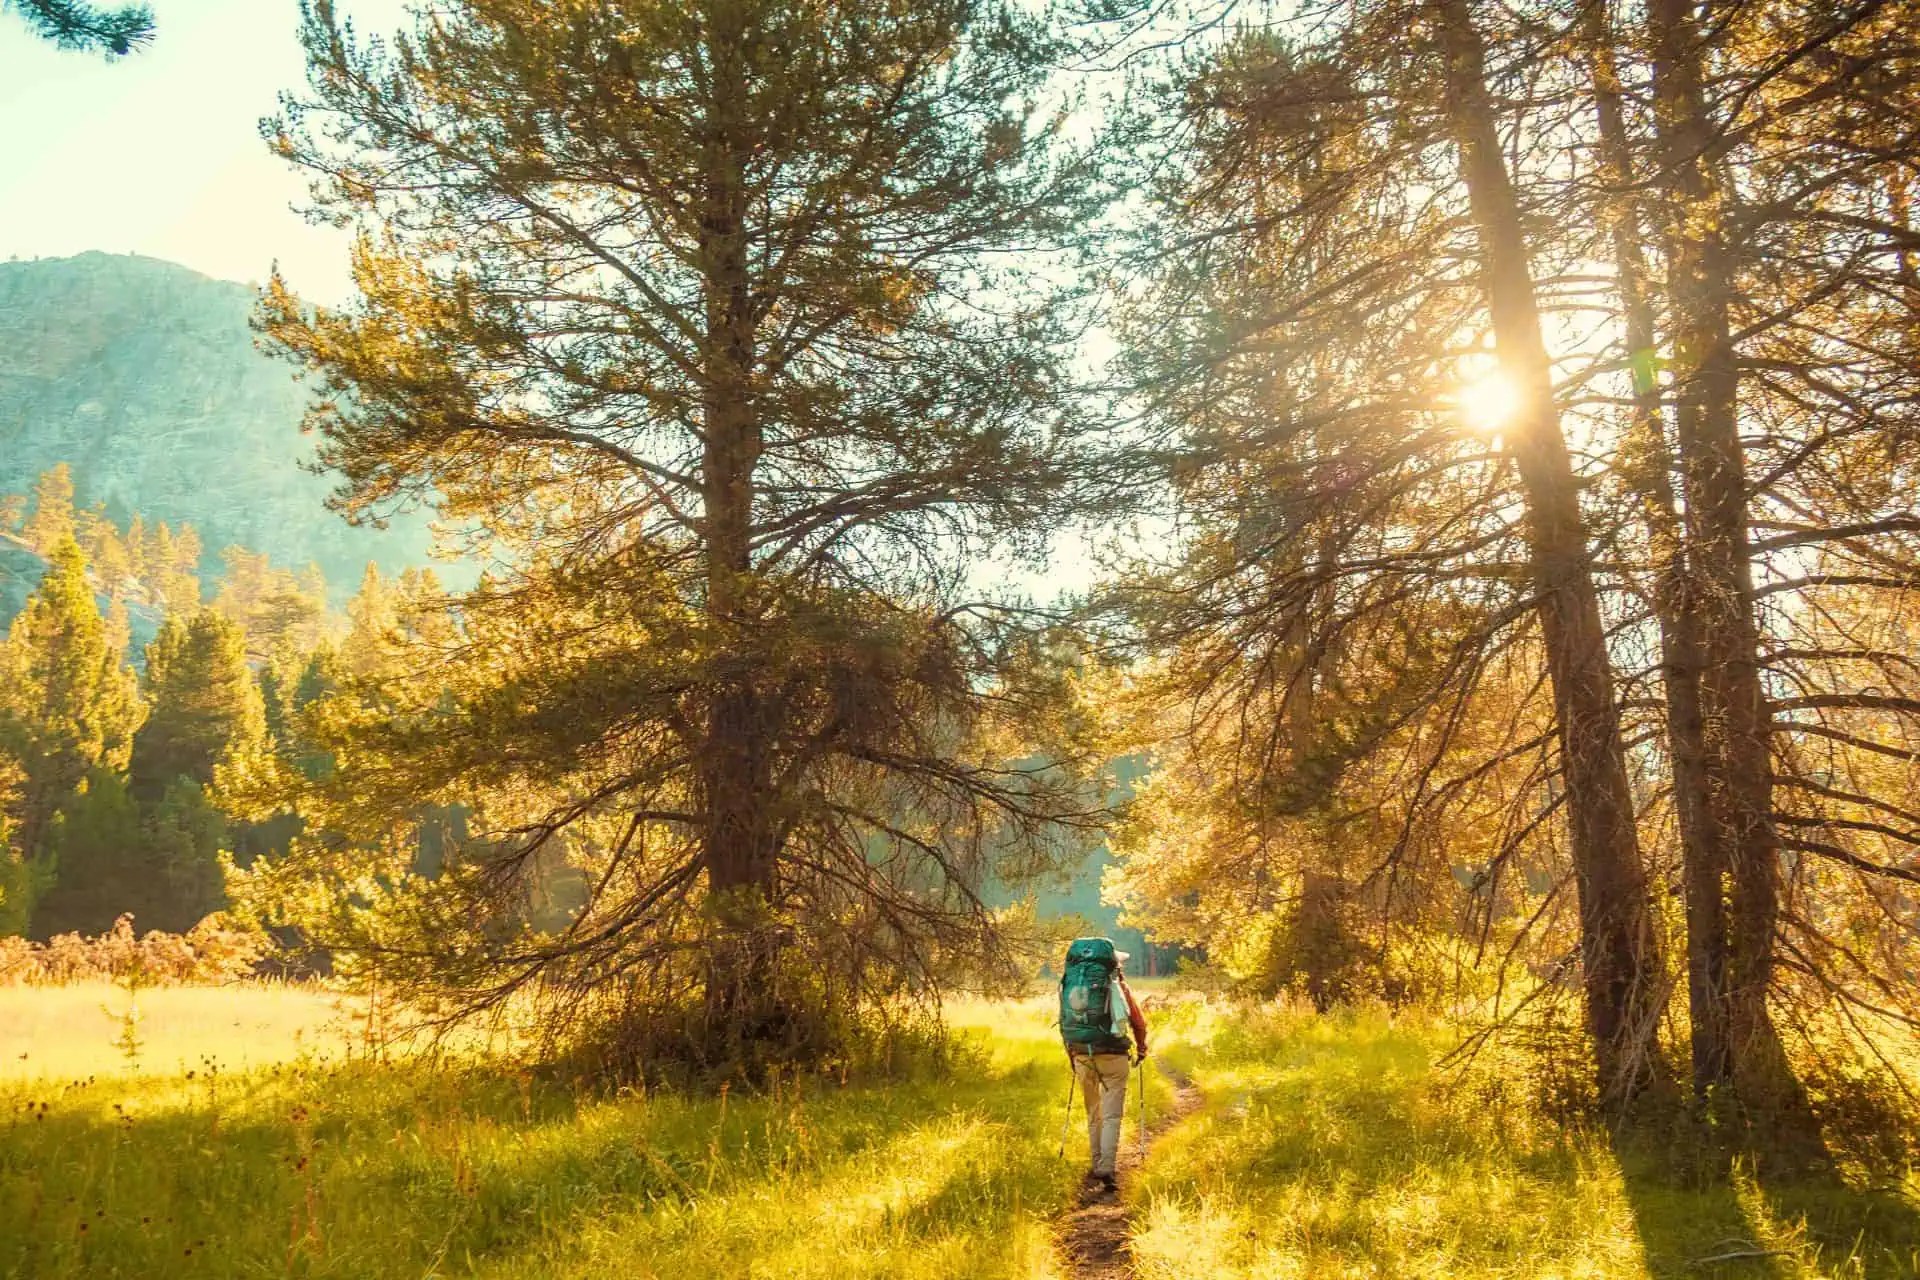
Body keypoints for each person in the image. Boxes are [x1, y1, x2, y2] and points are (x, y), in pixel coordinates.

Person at [1058, 937, 1150, 1192]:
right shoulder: (1119, 989)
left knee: (1093, 1113)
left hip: (1082, 1056)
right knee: (1111, 1115)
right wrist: (1141, 1049)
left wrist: (1073, 1057)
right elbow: (1139, 1023)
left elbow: (1065, 1023)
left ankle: (1096, 1161)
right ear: (1114, 966)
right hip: (1114, 1057)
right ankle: (1107, 1167)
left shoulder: (1072, 984)